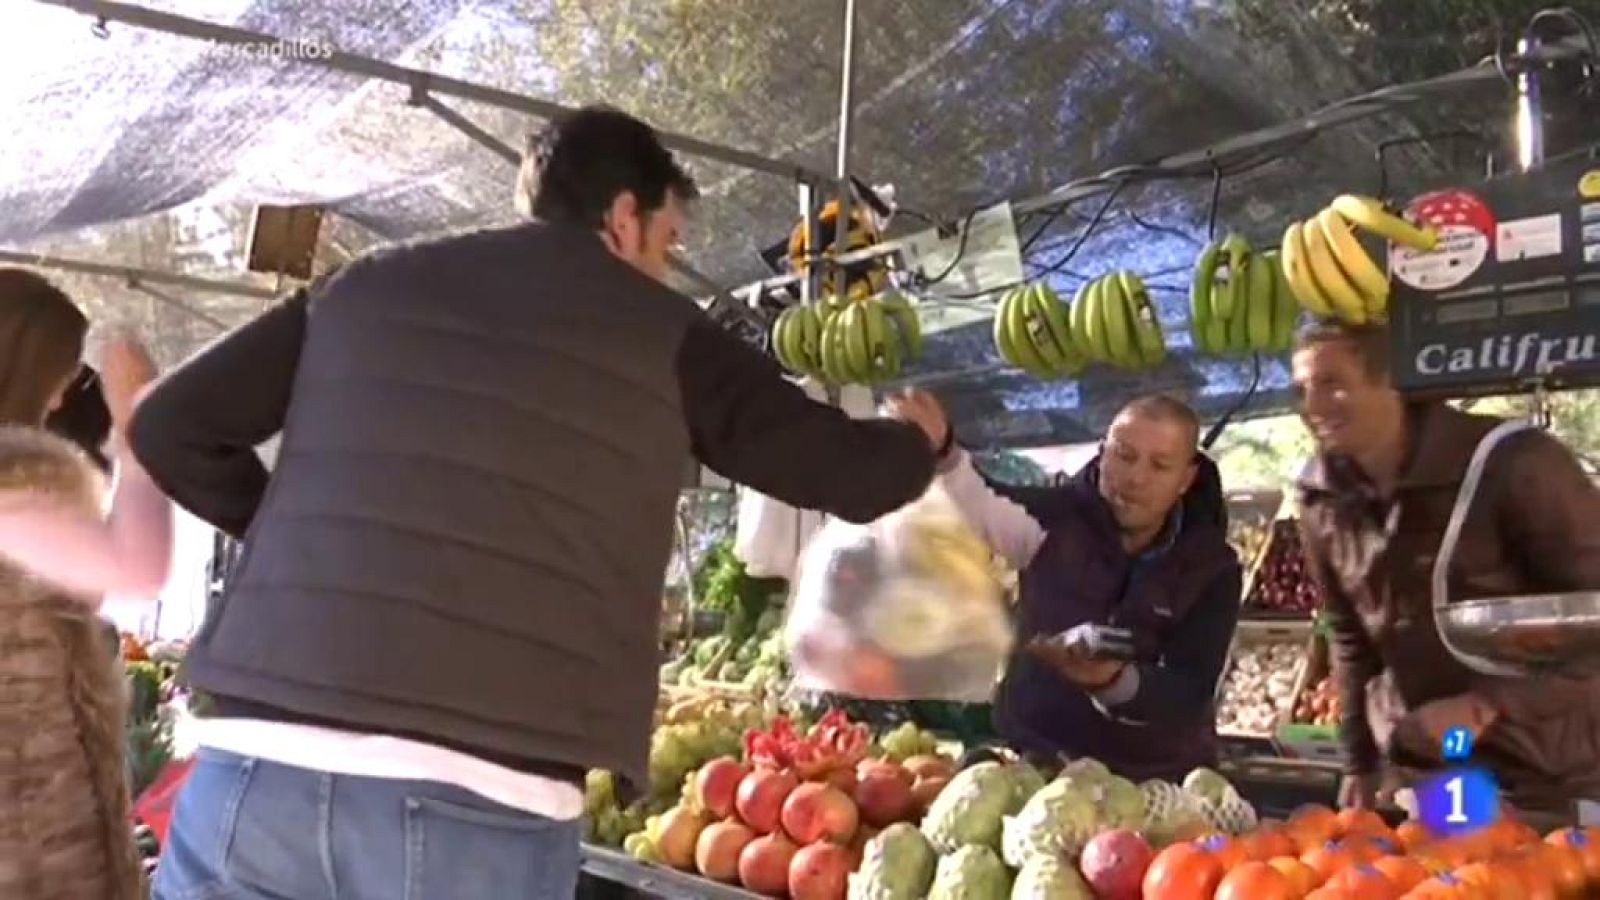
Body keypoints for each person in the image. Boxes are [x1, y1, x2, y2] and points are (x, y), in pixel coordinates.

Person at [131, 105, 943, 900]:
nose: (667, 267)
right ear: (625, 217)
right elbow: (846, 473)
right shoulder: (661, 331)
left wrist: (283, 534)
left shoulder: (361, 287)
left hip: (257, 774)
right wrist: (919, 440)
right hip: (480, 807)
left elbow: (169, 425)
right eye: (668, 241)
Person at [1290, 321, 1600, 825]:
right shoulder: (1320, 499)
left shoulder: (1514, 463)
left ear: (1390, 378)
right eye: (1303, 389)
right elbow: (1349, 637)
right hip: (1439, 770)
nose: (1313, 407)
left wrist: (1488, 704)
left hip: (1547, 775)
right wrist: (1360, 762)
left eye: (1333, 383)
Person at [889, 390, 1242, 782]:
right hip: (1040, 770)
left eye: (1159, 465)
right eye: (1124, 455)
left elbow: (1190, 690)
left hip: (1156, 781)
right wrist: (944, 454)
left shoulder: (1212, 567)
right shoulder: (1049, 520)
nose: (1136, 477)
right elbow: (979, 505)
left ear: (1185, 478)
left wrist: (1112, 680)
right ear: (1102, 450)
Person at [0, 267, 172, 900]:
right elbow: (138, 568)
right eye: (61, 377)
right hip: (25, 824)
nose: (61, 399)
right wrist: (137, 429)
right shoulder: (13, 489)